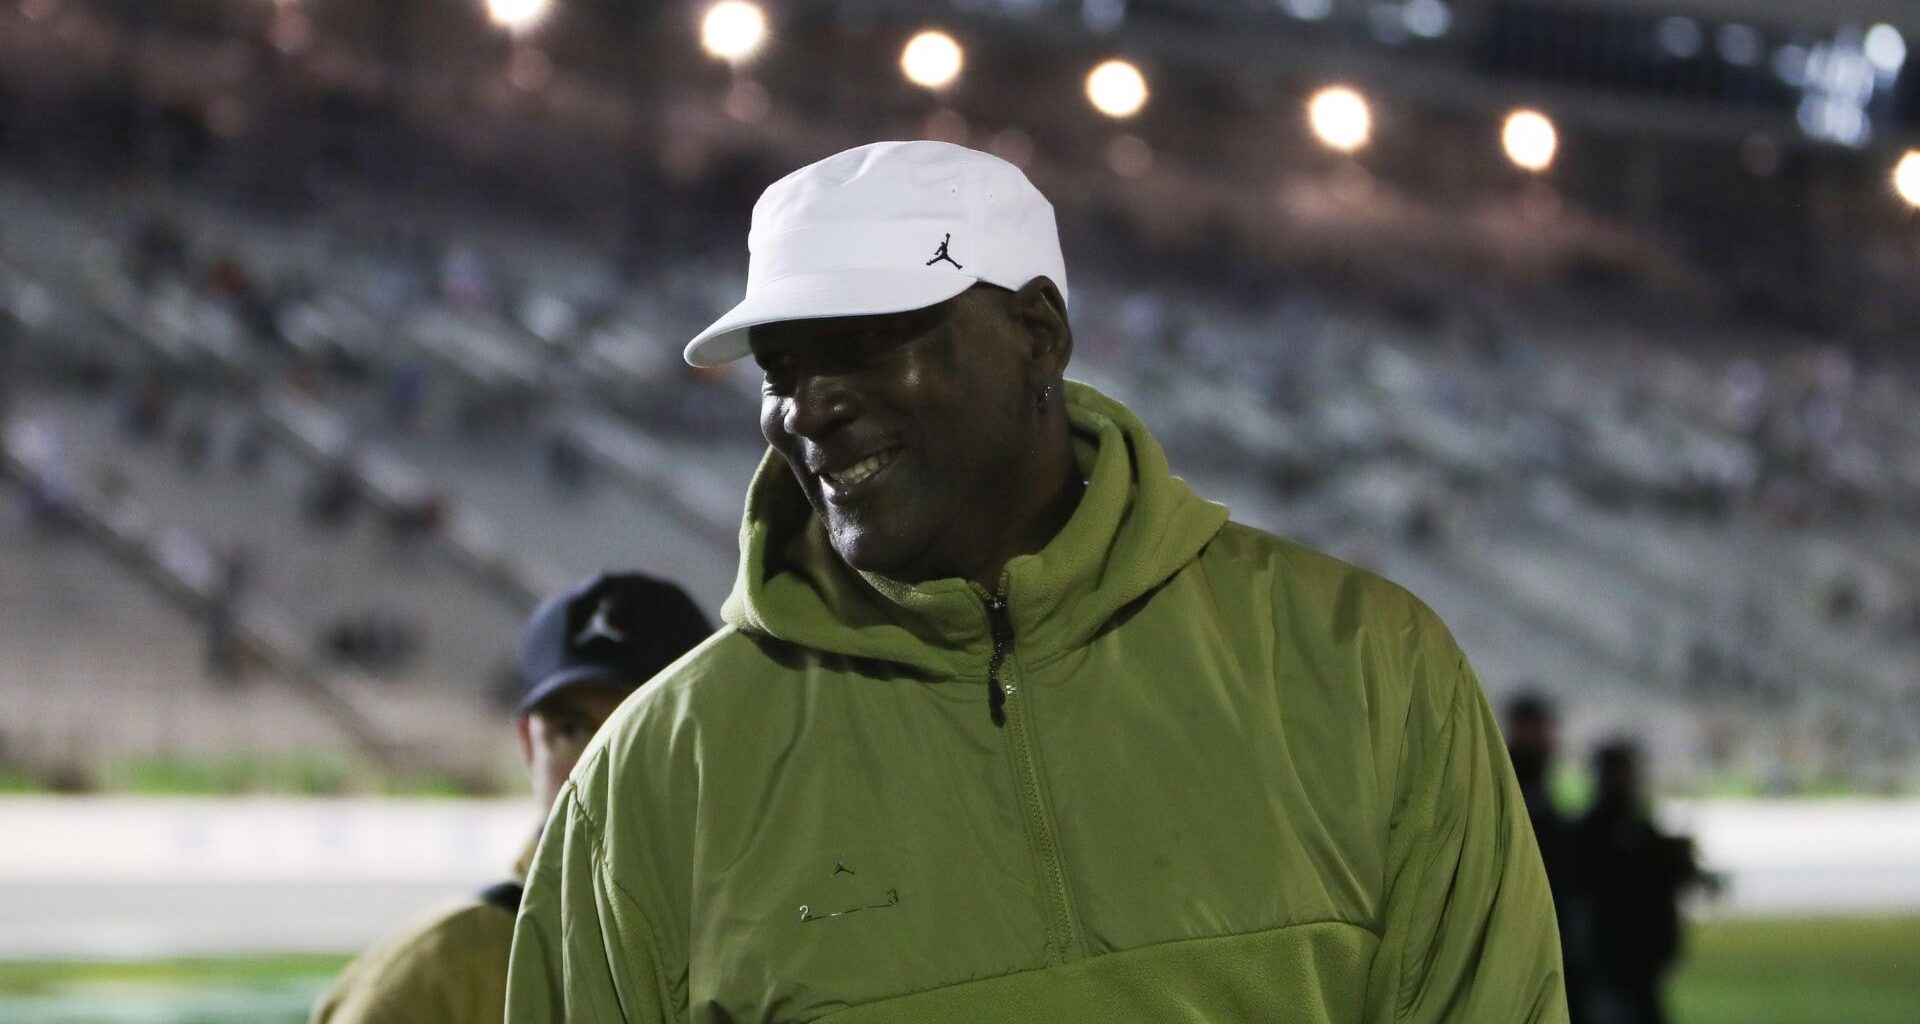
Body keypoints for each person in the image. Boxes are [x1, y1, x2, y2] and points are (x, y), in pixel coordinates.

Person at [506, 141, 1566, 1023]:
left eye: (869, 343)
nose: (809, 408)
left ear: (1040, 334)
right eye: (782, 371)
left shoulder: (1366, 666)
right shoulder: (656, 775)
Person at [313, 571, 712, 1024]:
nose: (603, 764)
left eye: (647, 726)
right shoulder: (433, 983)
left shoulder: (772, 953)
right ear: (528, 746)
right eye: (573, 730)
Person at [1575, 740, 1717, 1024]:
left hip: (1635, 967)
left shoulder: (1631, 827)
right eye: (1627, 772)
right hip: (1613, 966)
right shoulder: (1599, 832)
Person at [1506, 690, 1593, 1023]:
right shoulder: (1514, 789)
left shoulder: (1537, 789)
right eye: (1540, 729)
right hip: (1528, 945)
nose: (1547, 739)